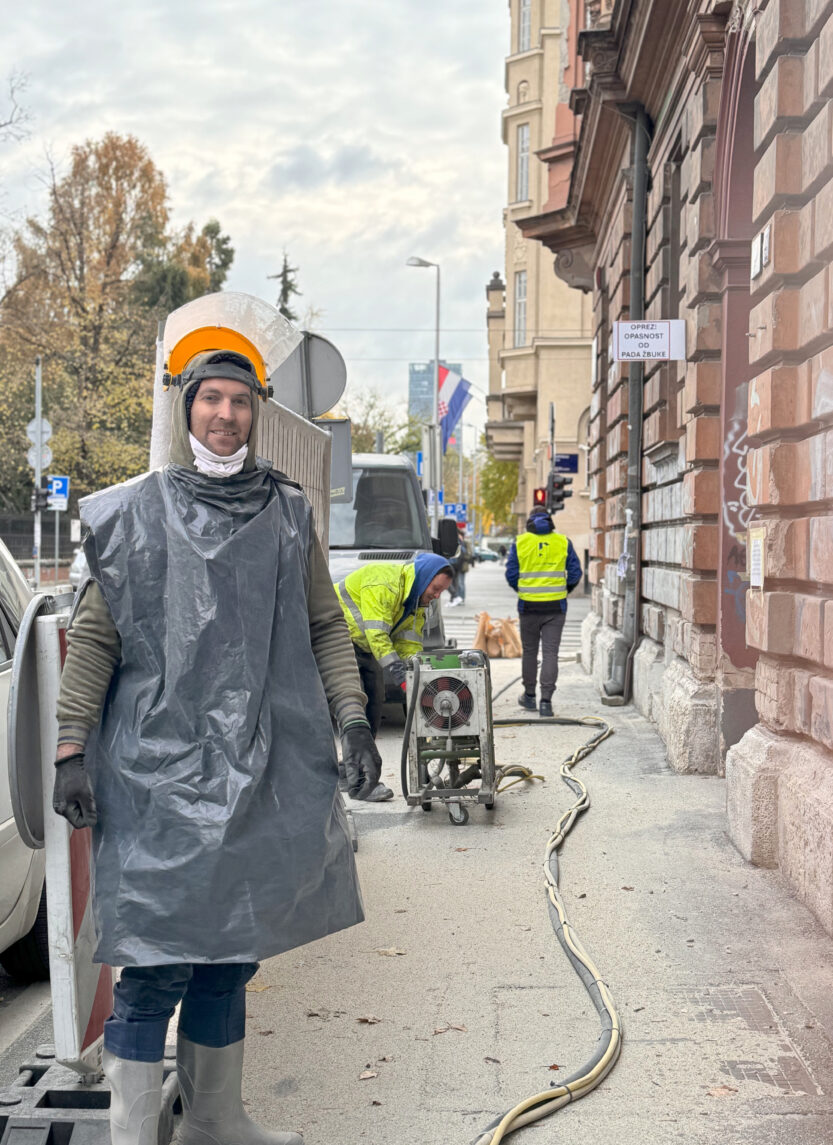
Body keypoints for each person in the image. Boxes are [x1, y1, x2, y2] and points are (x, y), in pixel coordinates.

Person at [51, 349, 380, 1145]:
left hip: (260, 768)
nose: (225, 414)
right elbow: (95, 639)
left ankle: (214, 1120)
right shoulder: (133, 513)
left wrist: (353, 718)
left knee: (231, 954)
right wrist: (68, 748)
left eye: (239, 400)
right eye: (211, 399)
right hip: (153, 776)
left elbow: (323, 625)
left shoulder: (287, 513)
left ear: (253, 412)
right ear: (187, 408)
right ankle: (132, 1135)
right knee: (152, 965)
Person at [335, 553, 453, 770]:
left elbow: (408, 644)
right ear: (424, 578)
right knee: (354, 703)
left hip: (364, 645)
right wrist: (400, 675)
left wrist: (417, 672)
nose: (436, 596)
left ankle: (360, 767)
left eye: (442, 592)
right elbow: (377, 634)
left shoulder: (415, 602)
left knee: (375, 700)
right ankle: (354, 771)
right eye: (435, 588)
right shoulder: (383, 582)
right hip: (338, 638)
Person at [505, 505, 583, 717]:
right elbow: (575, 573)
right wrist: (564, 590)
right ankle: (546, 702)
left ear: (529, 521)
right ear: (549, 521)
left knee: (530, 652)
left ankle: (529, 696)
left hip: (528, 606)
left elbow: (511, 574)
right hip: (555, 607)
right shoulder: (563, 541)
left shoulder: (520, 542)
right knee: (550, 653)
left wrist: (523, 590)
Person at [447, 523, 472, 608]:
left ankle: (461, 598)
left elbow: (467, 553)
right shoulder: (453, 540)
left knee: (460, 583)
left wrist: (460, 543)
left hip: (461, 566)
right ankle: (455, 598)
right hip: (454, 565)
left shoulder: (464, 542)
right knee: (453, 583)